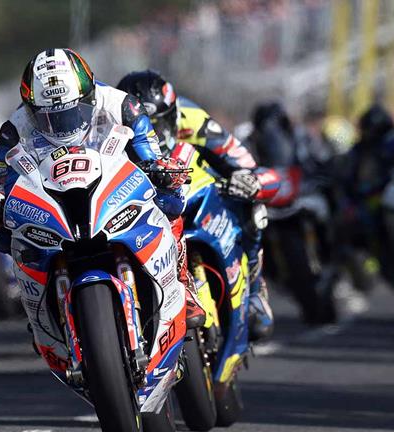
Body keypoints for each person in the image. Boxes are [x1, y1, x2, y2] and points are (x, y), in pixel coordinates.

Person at [0, 48, 213, 328]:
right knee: (4, 235)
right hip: (54, 201)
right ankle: (40, 312)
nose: (61, 126)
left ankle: (183, 284)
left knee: (170, 199)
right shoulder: (13, 131)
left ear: (88, 97)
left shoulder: (123, 106)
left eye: (71, 113)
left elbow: (150, 155)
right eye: (49, 117)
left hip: (115, 188)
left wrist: (160, 170)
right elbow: (9, 185)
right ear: (31, 109)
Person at [115, 70, 280, 341]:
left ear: (172, 115)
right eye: (146, 126)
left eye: (158, 125)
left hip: (200, 191)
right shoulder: (112, 127)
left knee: (254, 209)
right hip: (148, 203)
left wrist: (249, 181)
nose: (153, 134)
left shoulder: (193, 120)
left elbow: (247, 164)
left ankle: (255, 286)